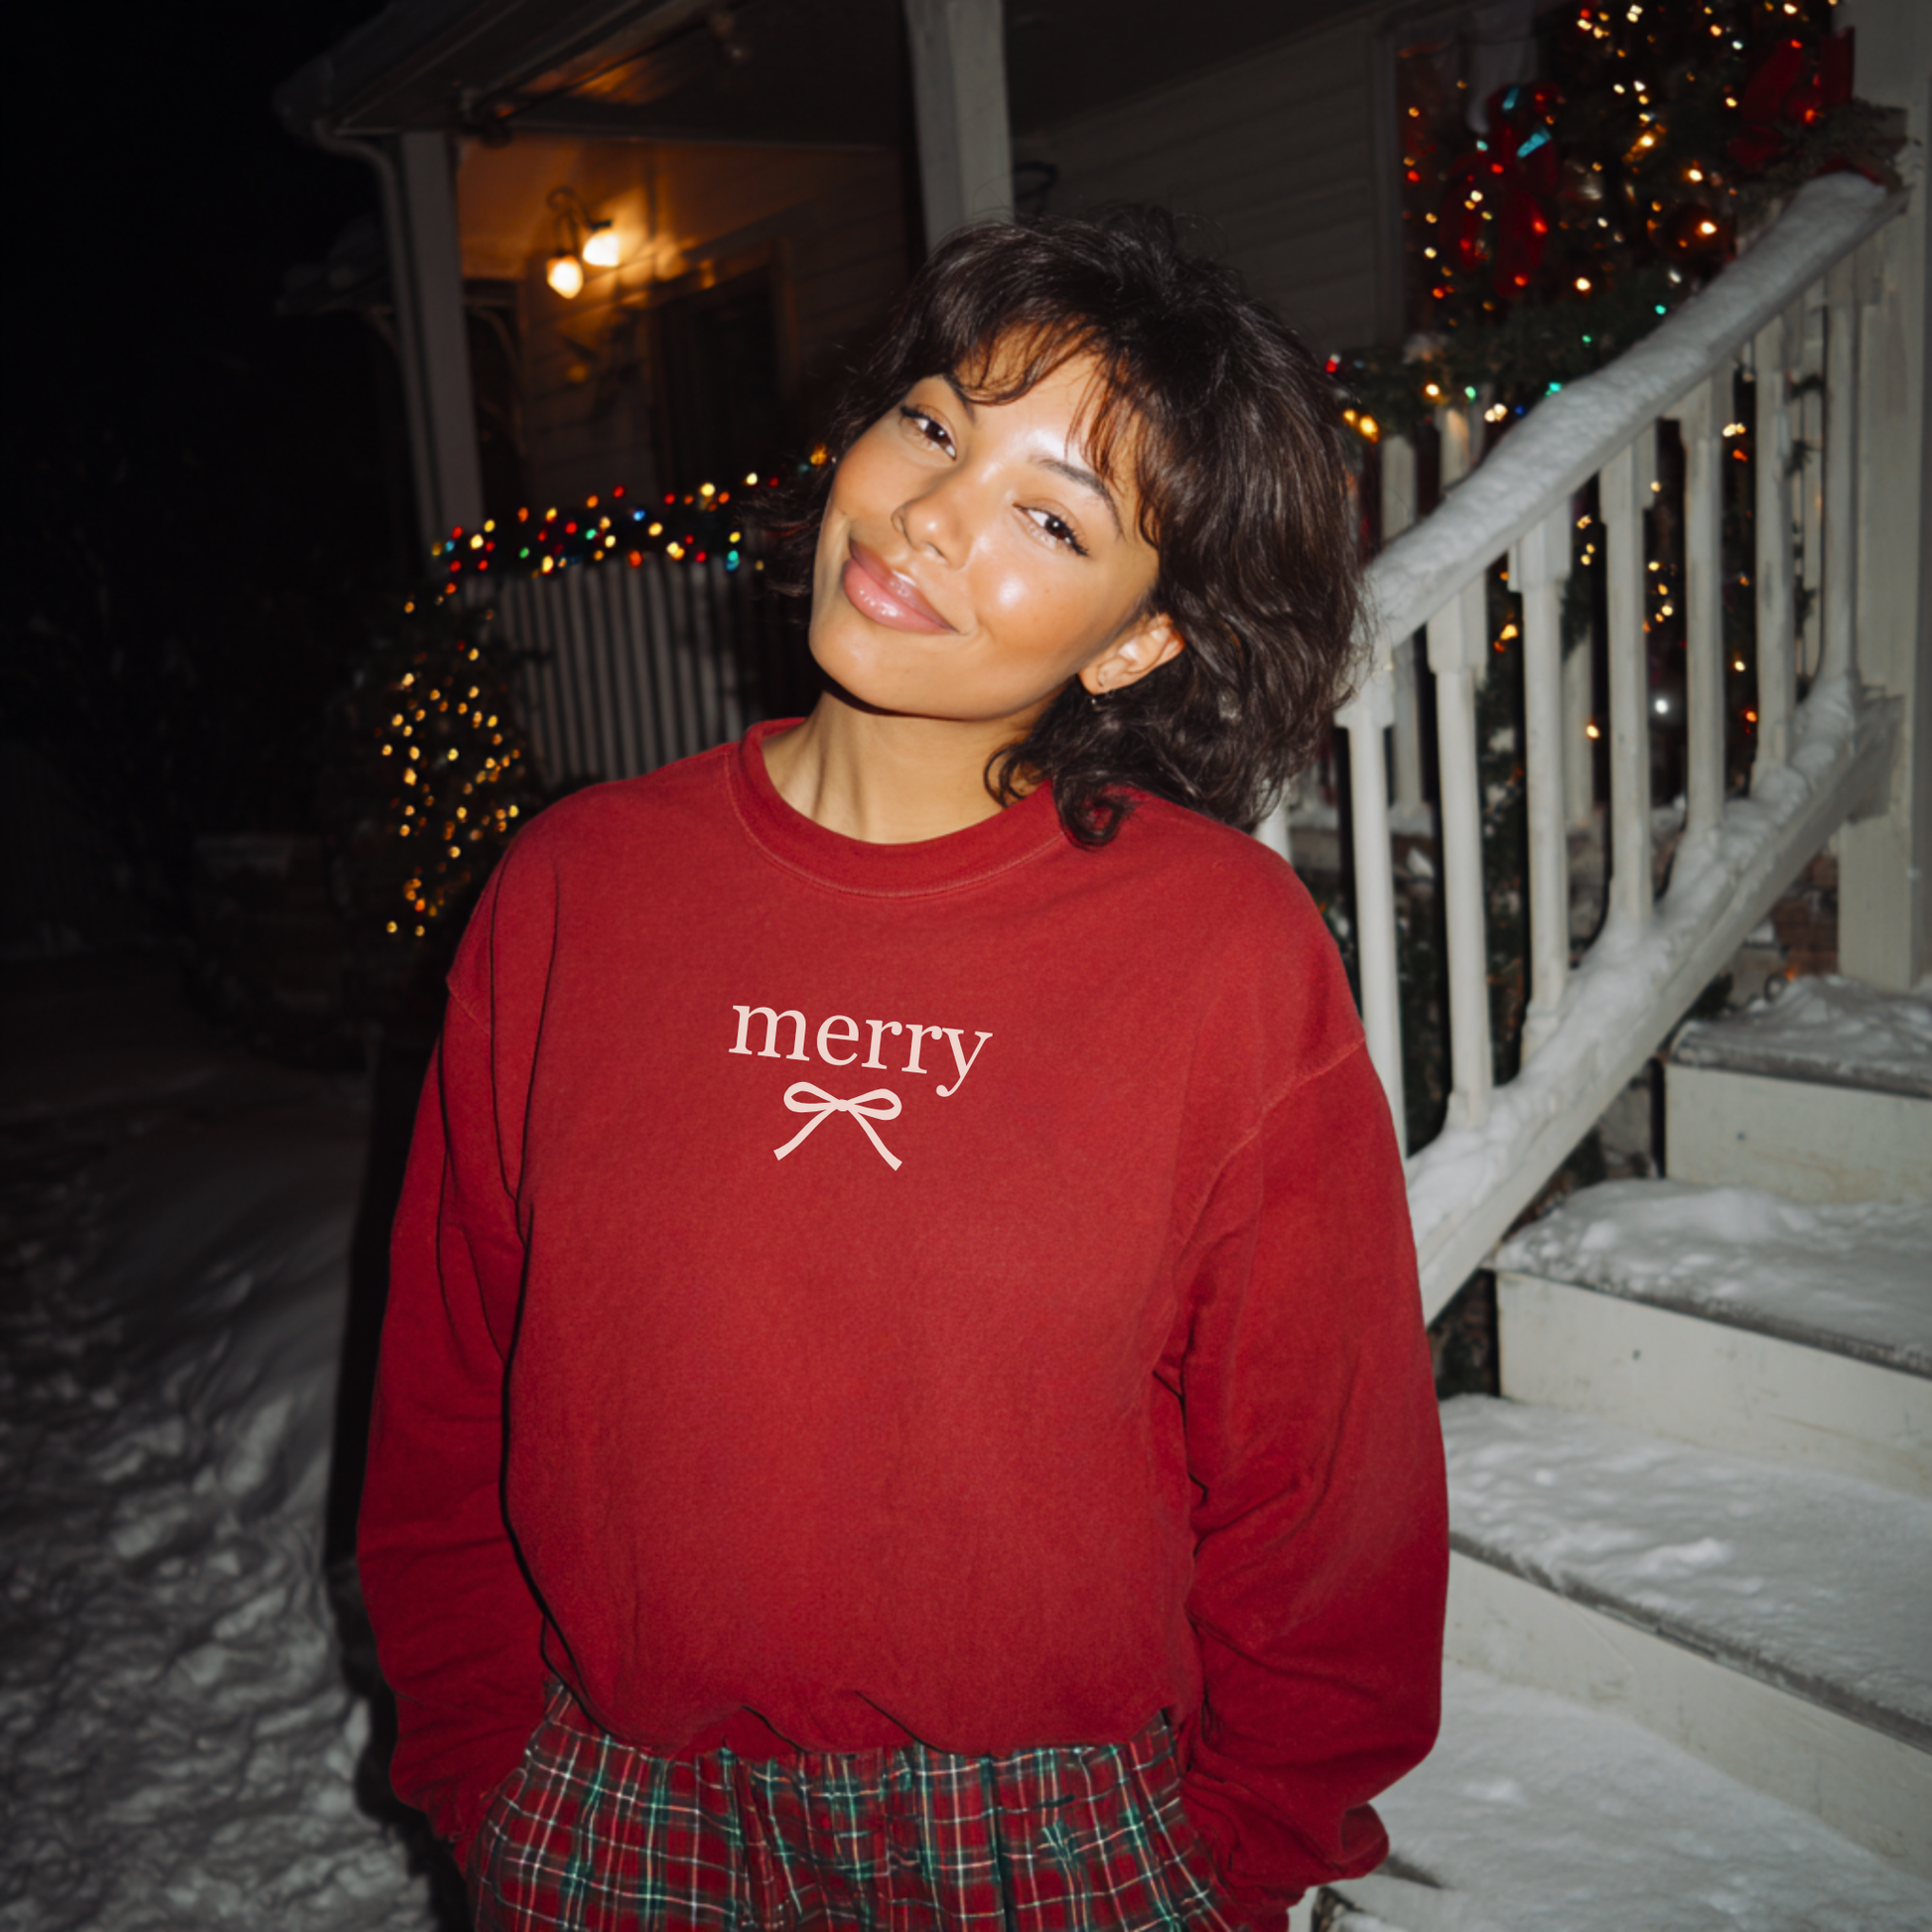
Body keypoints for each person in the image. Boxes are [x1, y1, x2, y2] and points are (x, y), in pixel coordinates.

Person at [359, 209, 1448, 1932]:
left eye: (1049, 514)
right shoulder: (576, 887)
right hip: (612, 1816)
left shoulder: (1219, 953)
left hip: (1052, 1849)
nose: (932, 516)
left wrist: (1233, 1862)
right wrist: (485, 1769)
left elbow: (1326, 1491)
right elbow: (445, 1392)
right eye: (936, 423)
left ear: (1134, 640)